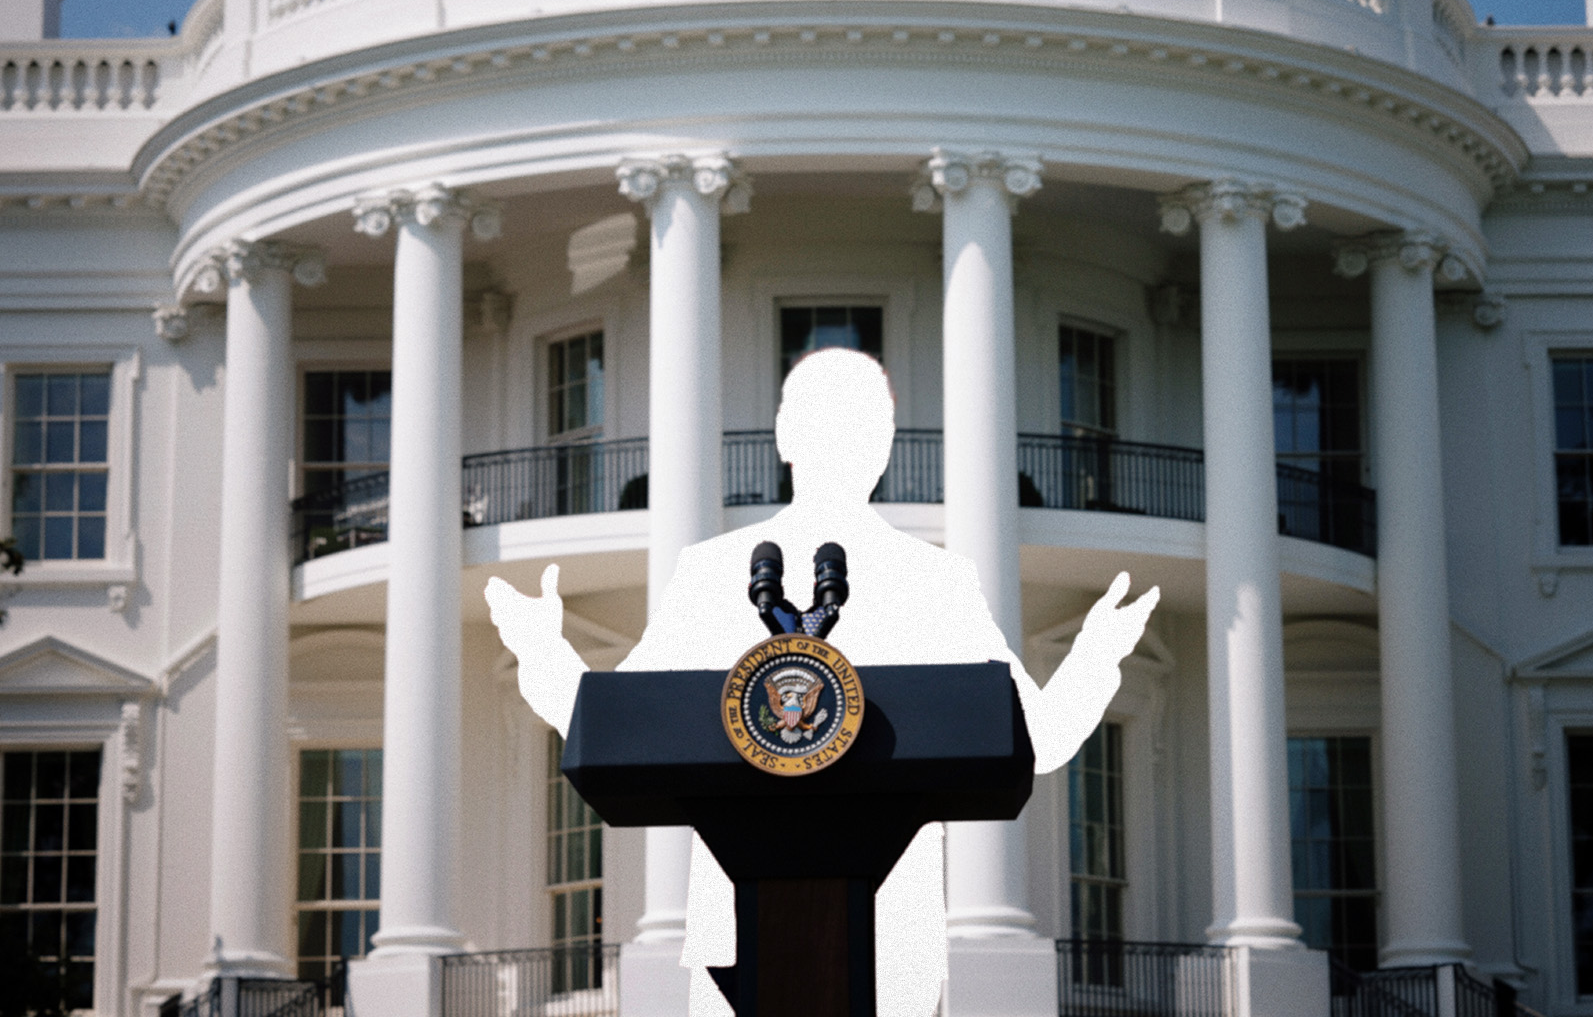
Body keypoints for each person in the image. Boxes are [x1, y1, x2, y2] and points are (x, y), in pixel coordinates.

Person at [488, 348, 1159, 1017]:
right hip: (734, 938)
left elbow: (1033, 737)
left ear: (884, 444)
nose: (842, 438)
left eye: (861, 421)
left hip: (893, 940)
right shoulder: (711, 570)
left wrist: (1096, 657)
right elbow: (615, 728)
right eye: (822, 418)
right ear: (786, 434)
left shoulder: (936, 579)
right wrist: (542, 652)